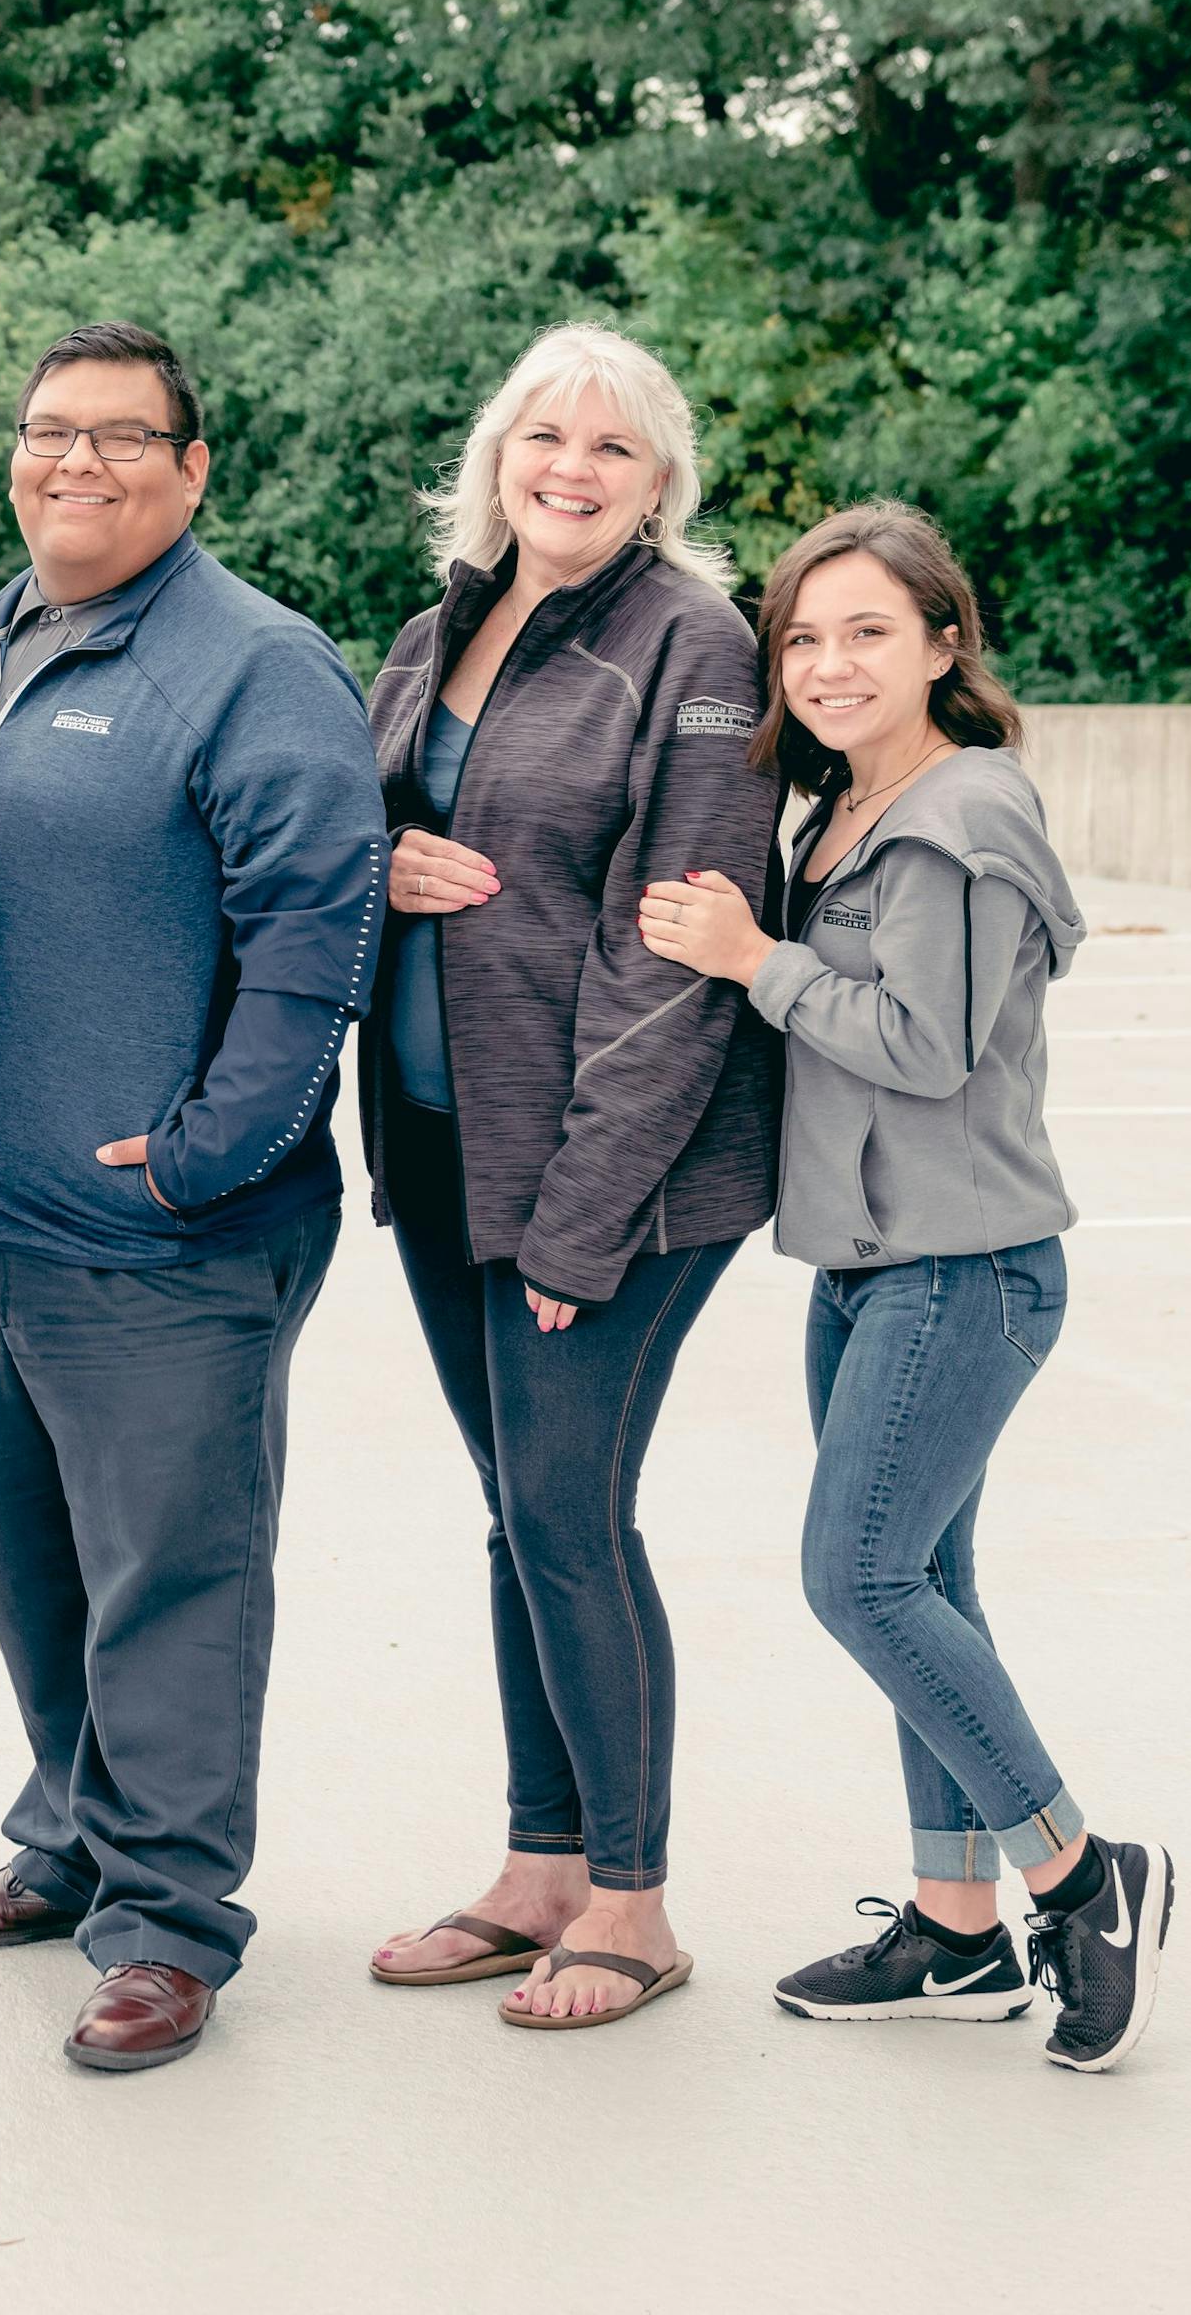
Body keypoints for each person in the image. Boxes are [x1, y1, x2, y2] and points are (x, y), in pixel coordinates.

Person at [0, 323, 388, 2073]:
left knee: (171, 1574)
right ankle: (73, 1831)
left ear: (193, 467)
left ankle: (170, 1920)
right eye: (46, 432)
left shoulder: (256, 668)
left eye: (120, 437)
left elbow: (321, 937)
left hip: (165, 1242)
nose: (74, 463)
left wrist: (206, 1153)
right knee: (33, 1562)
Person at [638, 500, 1172, 2072]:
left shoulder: (961, 814)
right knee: (926, 1589)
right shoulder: (846, 815)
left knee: (858, 1579)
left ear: (947, 643)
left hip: (963, 1265)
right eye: (802, 636)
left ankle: (1080, 1872)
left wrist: (755, 960)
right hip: (874, 1269)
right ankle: (954, 1928)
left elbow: (923, 1049)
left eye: (868, 630)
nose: (827, 663)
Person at [359, 322, 780, 2029]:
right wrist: (378, 859)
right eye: (546, 437)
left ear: (660, 480)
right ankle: (537, 1868)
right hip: (444, 1144)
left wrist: (582, 1220)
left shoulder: (697, 647)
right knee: (517, 1510)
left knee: (564, 1507)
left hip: (619, 1179)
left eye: (613, 448)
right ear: (498, 456)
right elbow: (352, 829)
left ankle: (632, 1899)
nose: (573, 469)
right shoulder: (435, 630)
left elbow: (670, 958)